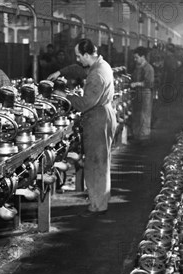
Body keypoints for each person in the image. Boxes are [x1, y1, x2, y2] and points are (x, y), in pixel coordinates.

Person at [65, 39, 117, 216]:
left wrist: (66, 97)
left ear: (87, 55)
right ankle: (100, 200)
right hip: (103, 114)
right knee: (101, 162)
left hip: (97, 119)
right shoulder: (103, 65)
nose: (79, 60)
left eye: (79, 56)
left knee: (95, 163)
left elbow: (86, 103)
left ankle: (97, 205)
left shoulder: (96, 74)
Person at [130, 46, 154, 143]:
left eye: (136, 57)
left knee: (144, 115)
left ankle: (144, 137)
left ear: (143, 57)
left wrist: (136, 84)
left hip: (145, 93)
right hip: (137, 93)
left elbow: (149, 83)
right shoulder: (137, 68)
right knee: (137, 114)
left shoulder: (148, 68)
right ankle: (136, 135)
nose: (135, 60)